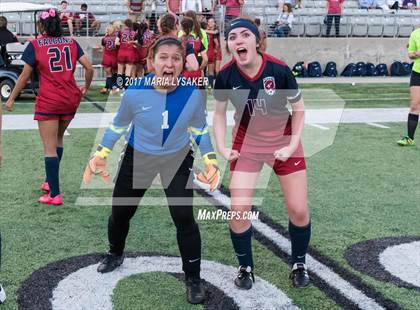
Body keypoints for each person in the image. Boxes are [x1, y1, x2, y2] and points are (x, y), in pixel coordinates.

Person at [83, 36, 220, 304]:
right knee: (121, 212)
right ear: (151, 62)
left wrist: (211, 160)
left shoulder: (193, 93)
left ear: (182, 64)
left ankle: (192, 278)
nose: (170, 63)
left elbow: (200, 129)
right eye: (163, 57)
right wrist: (101, 154)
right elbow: (118, 126)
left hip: (176, 157)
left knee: (183, 216)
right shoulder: (135, 91)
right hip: (139, 156)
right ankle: (115, 252)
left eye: (176, 58)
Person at [213, 18, 311, 289]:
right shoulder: (225, 74)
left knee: (298, 209)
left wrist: (292, 144)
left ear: (257, 41)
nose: (239, 40)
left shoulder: (279, 69)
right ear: (229, 45)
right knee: (239, 209)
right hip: (248, 146)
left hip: (283, 143)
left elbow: (300, 108)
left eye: (246, 35)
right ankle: (245, 267)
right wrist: (222, 146)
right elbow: (219, 114)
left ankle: (299, 263)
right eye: (233, 37)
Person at [5, 8, 94, 205]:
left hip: (49, 100)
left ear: (42, 26)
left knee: (49, 147)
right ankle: (49, 181)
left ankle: (54, 194)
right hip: (71, 98)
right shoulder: (71, 42)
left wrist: (11, 98)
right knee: (58, 139)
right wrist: (85, 87)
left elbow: (24, 75)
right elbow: (89, 67)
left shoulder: (35, 45)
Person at [398, 28, 420, 146]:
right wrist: (416, 54)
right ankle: (409, 138)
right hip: (417, 73)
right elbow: (410, 54)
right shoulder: (415, 34)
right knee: (415, 105)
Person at [116, 19, 137, 88]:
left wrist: (122, 44)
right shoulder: (134, 33)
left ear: (125, 24)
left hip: (121, 51)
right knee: (128, 72)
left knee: (119, 71)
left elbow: (116, 43)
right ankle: (126, 87)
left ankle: (119, 87)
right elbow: (136, 45)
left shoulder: (120, 32)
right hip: (130, 52)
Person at [100, 25, 118, 94]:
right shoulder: (116, 38)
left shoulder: (104, 39)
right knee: (115, 73)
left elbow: (103, 49)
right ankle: (115, 87)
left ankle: (109, 89)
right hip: (115, 57)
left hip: (107, 57)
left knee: (109, 74)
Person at [205, 17, 222, 88]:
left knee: (217, 70)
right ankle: (211, 86)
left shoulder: (216, 30)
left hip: (217, 52)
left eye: (212, 22)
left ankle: (220, 85)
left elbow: (217, 43)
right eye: (209, 22)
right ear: (208, 23)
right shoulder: (207, 31)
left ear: (215, 23)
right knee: (211, 70)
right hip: (211, 52)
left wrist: (216, 49)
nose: (211, 23)